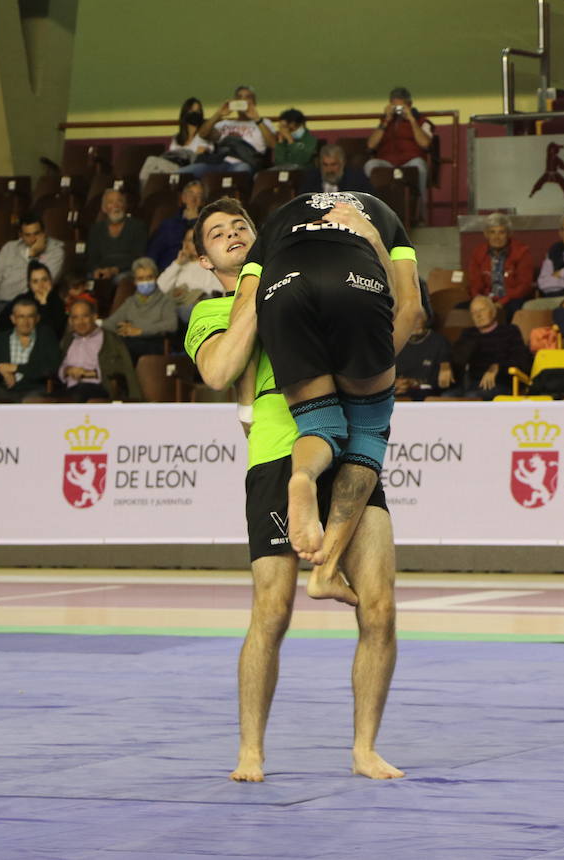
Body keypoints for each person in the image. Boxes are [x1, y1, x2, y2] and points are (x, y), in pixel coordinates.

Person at [183, 196, 405, 783]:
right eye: (217, 235)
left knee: (380, 606)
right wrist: (261, 293)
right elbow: (217, 371)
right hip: (279, 452)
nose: (231, 235)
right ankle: (251, 751)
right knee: (272, 611)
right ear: (205, 260)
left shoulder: (305, 271)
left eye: (240, 227)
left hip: (344, 435)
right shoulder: (211, 311)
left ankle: (363, 748)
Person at [232, 189, 422, 577]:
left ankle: (301, 477)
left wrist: (246, 404)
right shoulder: (384, 213)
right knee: (367, 429)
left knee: (321, 425)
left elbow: (245, 309)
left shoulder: (277, 218)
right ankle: (327, 564)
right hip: (355, 280)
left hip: (282, 290)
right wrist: (376, 370)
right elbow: (411, 306)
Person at [0, 297, 60, 403]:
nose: (26, 322)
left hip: (34, 390)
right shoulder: (1, 339)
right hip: (4, 390)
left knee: (30, 403)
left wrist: (16, 368)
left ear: (37, 318)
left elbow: (52, 367)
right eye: (21, 317)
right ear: (13, 319)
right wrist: (1, 369)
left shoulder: (46, 337)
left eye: (30, 316)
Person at [364, 86, 434, 216]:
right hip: (387, 162)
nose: (398, 111)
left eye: (401, 107)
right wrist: (386, 121)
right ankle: (373, 213)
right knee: (370, 165)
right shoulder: (385, 122)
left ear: (409, 105)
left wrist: (412, 120)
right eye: (394, 106)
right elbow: (370, 145)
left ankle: (421, 214)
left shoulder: (421, 121)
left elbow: (425, 144)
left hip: (411, 162)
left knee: (420, 165)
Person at [57, 298, 141, 402]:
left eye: (85, 316)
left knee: (79, 392)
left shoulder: (109, 339)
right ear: (70, 321)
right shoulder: (68, 340)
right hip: (69, 388)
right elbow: (59, 365)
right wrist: (67, 370)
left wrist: (91, 373)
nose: (80, 322)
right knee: (42, 400)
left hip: (98, 387)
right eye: (75, 318)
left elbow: (123, 367)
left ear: (94, 317)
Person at [451, 294, 531, 399]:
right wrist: (446, 365)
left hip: (500, 383)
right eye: (474, 313)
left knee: (471, 397)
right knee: (445, 397)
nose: (478, 315)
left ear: (493, 312)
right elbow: (456, 359)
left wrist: (498, 366)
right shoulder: (468, 334)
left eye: (482, 310)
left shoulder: (510, 331)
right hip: (471, 384)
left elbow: (521, 361)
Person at [187, 85, 276, 175]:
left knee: (239, 173)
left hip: (245, 162)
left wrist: (257, 119)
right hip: (219, 162)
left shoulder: (263, 123)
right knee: (184, 173)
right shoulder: (224, 123)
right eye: (239, 97)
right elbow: (203, 134)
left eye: (248, 97)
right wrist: (218, 114)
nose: (243, 100)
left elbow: (273, 145)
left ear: (254, 102)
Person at [103, 257, 180, 360]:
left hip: (154, 344)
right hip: (130, 342)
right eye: (141, 279)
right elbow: (108, 323)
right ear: (135, 281)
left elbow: (171, 325)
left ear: (156, 278)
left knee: (125, 349)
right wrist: (123, 330)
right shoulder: (130, 302)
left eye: (149, 278)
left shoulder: (166, 301)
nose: (145, 282)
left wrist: (140, 330)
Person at [0, 214, 66, 303]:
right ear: (21, 235)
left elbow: (44, 286)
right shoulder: (9, 247)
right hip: (2, 303)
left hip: (31, 304)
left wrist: (32, 255)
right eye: (28, 235)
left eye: (37, 233)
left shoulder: (56, 251)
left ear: (44, 232)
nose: (33, 239)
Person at [464, 212, 535, 313]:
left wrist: (502, 302)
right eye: (492, 232)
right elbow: (475, 284)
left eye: (501, 232)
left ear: (508, 234)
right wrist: (481, 301)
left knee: (510, 310)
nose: (496, 237)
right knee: (459, 309)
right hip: (486, 299)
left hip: (512, 299)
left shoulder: (522, 252)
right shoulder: (478, 253)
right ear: (486, 234)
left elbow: (524, 286)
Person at [158, 229, 225, 325]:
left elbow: (217, 292)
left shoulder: (211, 264)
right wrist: (178, 263)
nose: (195, 243)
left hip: (202, 306)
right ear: (184, 244)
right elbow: (160, 288)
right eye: (191, 240)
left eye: (198, 240)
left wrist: (192, 294)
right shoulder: (178, 265)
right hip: (178, 308)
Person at [140, 97, 214, 183]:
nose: (195, 114)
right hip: (171, 166)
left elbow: (198, 159)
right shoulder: (177, 138)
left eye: (198, 111)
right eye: (191, 111)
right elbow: (171, 155)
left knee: (152, 161)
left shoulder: (204, 137)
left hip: (187, 169)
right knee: (153, 169)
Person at [85, 190, 149, 282]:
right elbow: (92, 258)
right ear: (104, 208)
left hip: (127, 270)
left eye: (119, 201)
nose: (116, 205)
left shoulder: (138, 227)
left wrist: (115, 270)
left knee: (119, 279)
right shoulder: (96, 229)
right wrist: (97, 270)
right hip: (103, 271)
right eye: (110, 202)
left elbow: (138, 257)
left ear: (125, 205)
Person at [0, 260, 67, 340]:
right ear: (29, 285)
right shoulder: (21, 300)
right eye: (35, 281)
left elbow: (51, 334)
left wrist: (43, 304)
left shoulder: (58, 302)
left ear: (51, 281)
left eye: (44, 280)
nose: (41, 285)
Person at [148, 179, 206, 271]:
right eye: (190, 194)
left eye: (198, 196)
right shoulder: (168, 224)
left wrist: (194, 220)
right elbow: (153, 251)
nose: (193, 199)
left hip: (195, 270)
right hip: (168, 268)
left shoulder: (206, 224)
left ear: (202, 202)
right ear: (183, 198)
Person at [395, 323, 452, 401]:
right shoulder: (393, 341)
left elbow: (442, 383)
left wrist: (413, 383)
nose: (415, 321)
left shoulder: (439, 342)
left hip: (425, 393)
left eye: (419, 317)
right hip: (396, 393)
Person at [300, 143, 372, 195]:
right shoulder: (311, 179)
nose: (329, 169)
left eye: (333, 164)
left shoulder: (357, 180)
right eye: (325, 165)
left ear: (342, 163)